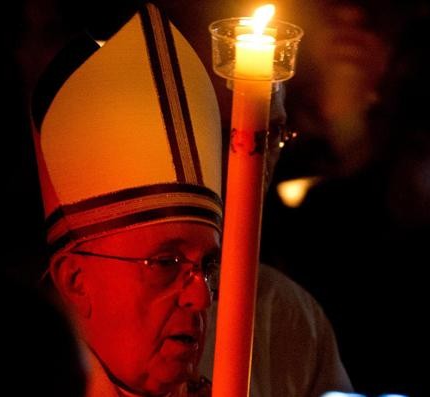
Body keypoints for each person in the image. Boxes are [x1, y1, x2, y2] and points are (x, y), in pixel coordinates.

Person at [31, 3, 351, 396]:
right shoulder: (35, 352)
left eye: (210, 266)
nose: (202, 296)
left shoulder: (282, 318)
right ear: (75, 280)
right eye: (165, 262)